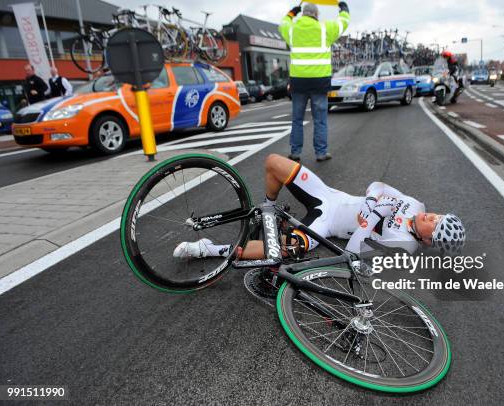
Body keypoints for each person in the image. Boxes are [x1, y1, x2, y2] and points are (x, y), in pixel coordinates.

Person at [174, 154, 466, 262]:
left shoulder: (404, 245)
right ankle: (269, 208)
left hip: (325, 227)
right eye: (440, 216)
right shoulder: (417, 205)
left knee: (280, 251)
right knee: (274, 163)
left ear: (428, 240)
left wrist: (373, 216)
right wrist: (376, 201)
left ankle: (208, 249)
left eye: (435, 224)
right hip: (330, 195)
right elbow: (378, 187)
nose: (432, 216)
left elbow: (352, 251)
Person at [278, 2, 350, 162]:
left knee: (297, 119)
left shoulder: (292, 30)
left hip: (299, 83)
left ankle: (295, 153)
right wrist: (343, 9)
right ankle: (321, 153)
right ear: (316, 15)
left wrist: (292, 13)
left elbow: (283, 23)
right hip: (319, 82)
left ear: (303, 14)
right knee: (320, 120)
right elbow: (343, 23)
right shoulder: (325, 29)